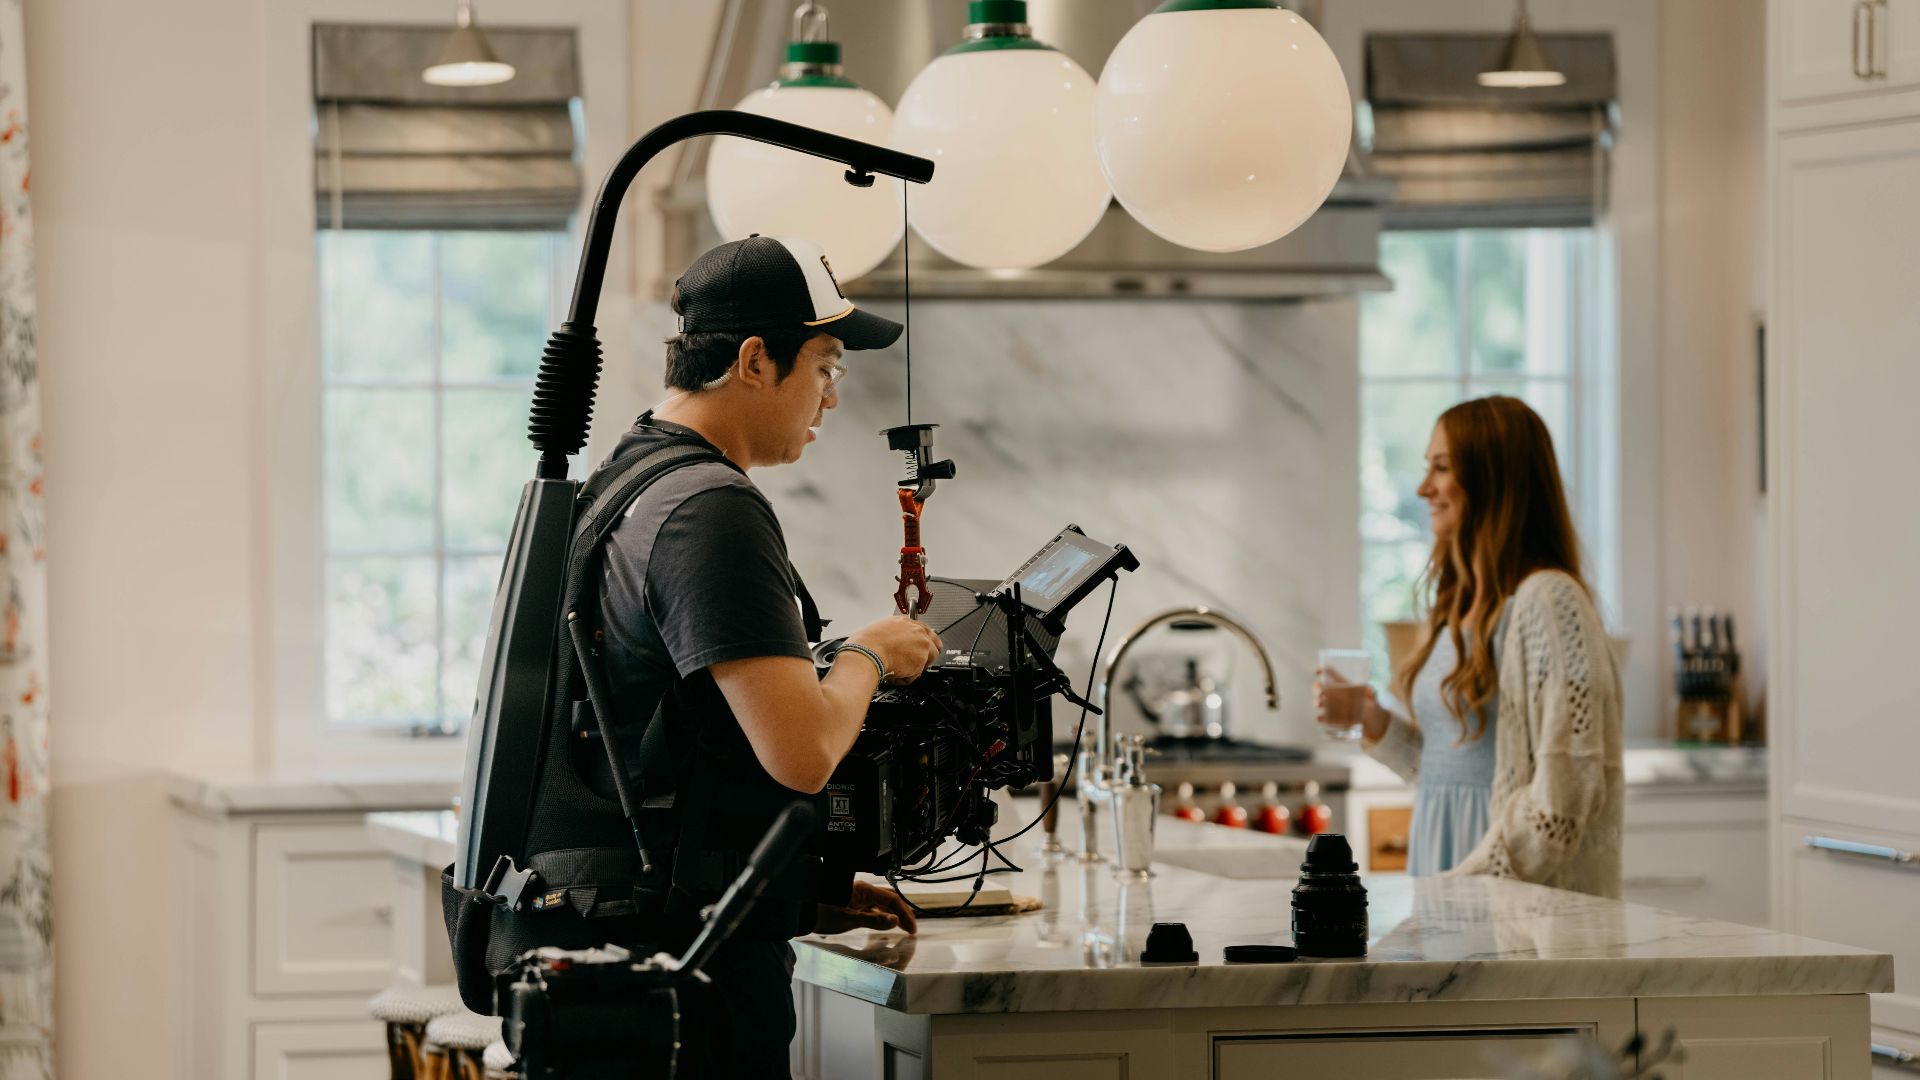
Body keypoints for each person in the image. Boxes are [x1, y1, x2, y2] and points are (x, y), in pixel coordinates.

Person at [596, 235, 942, 1075]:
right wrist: (870, 650)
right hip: (691, 978)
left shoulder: (628, 479)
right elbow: (803, 753)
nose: (830, 398)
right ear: (755, 361)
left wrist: (796, 886)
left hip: (638, 948)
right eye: (825, 365)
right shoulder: (711, 508)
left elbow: (671, 742)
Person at [1315, 395, 1624, 897]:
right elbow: (1448, 773)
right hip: (1450, 873)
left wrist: (1465, 891)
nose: (1423, 487)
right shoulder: (1458, 607)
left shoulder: (1550, 601)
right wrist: (1375, 723)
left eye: (1441, 467)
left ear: (1492, 480)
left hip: (1512, 896)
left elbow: (1563, 803)